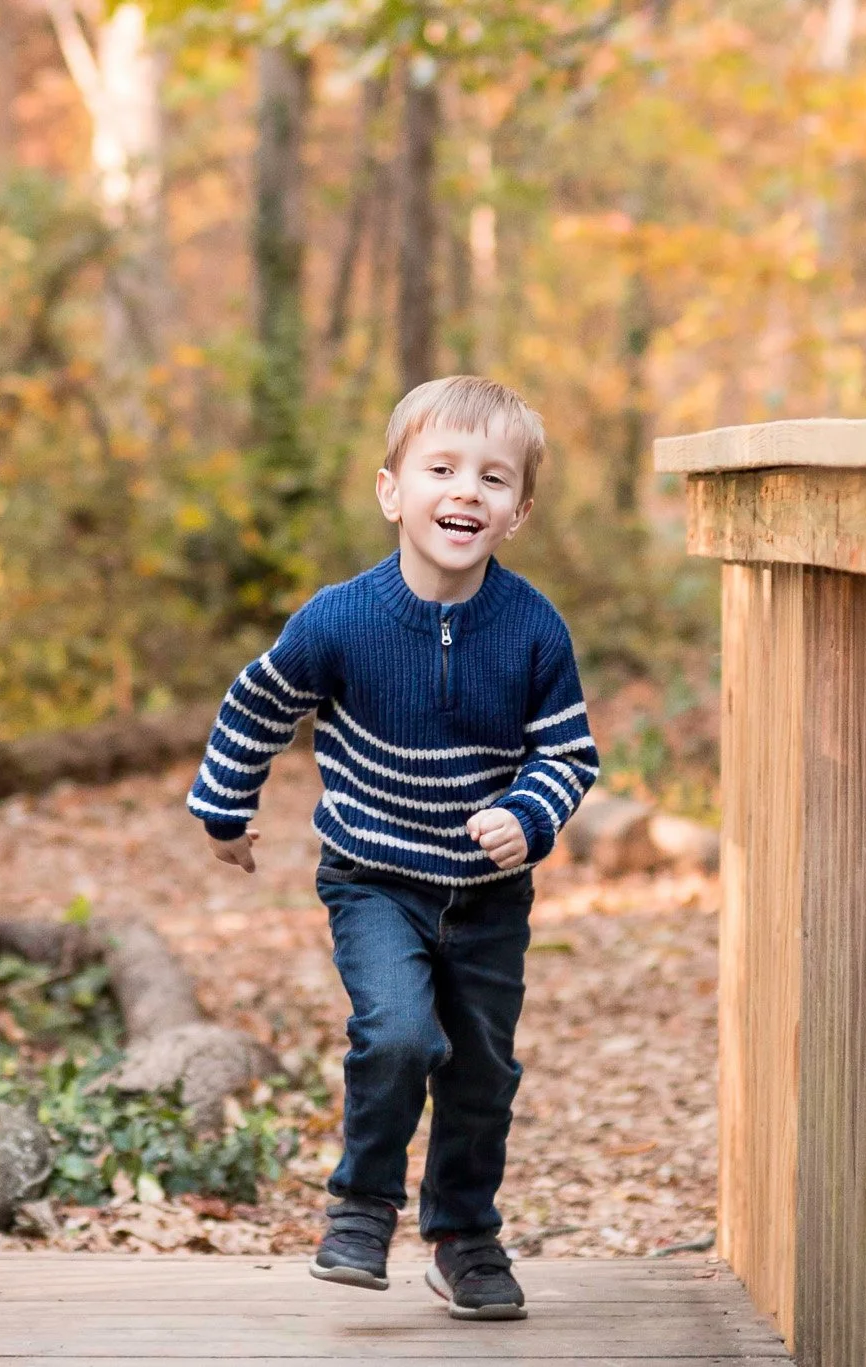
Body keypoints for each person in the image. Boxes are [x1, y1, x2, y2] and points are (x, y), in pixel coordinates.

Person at [187, 375, 599, 1321]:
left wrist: (530, 816)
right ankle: (362, 1206)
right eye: (442, 469)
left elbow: (568, 751)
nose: (465, 492)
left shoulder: (535, 628)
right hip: (374, 876)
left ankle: (463, 1235)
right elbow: (261, 701)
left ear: (519, 512)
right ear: (392, 491)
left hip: (488, 894)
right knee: (401, 1033)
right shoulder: (341, 617)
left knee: (483, 1066)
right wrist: (225, 808)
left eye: (493, 479)